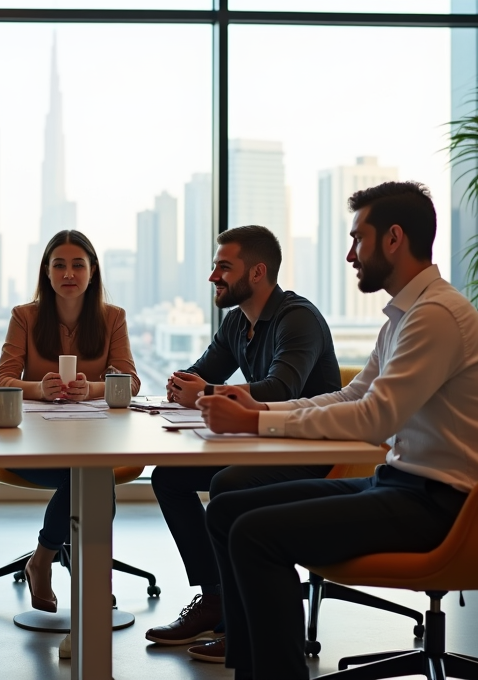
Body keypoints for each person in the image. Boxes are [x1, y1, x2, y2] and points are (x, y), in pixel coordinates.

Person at [198, 182, 478, 680]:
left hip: (445, 502)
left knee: (256, 535)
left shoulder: (435, 316)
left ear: (393, 239)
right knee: (228, 510)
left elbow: (375, 419)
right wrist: (257, 406)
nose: (350, 254)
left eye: (357, 239)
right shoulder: (405, 317)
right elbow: (352, 396)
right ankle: (250, 668)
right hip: (402, 484)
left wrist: (257, 420)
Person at [146, 225, 341, 662]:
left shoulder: (298, 319)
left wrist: (205, 392)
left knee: (229, 486)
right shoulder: (238, 322)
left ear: (257, 272)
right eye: (215, 266)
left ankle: (245, 626)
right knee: (169, 478)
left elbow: (281, 389)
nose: (213, 276)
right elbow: (199, 374)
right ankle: (216, 599)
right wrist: (185, 385)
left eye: (223, 267)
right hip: (265, 444)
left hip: (313, 451)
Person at [0, 229, 141, 612]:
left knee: (90, 471)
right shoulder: (25, 316)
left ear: (93, 272)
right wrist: (40, 389)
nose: (69, 273)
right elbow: (2, 379)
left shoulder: (113, 318)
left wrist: (91, 389)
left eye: (79, 264)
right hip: (32, 447)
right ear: (46, 272)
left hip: (91, 441)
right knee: (92, 477)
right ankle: (88, 575)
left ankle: (43, 559)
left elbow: (132, 381)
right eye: (59, 265)